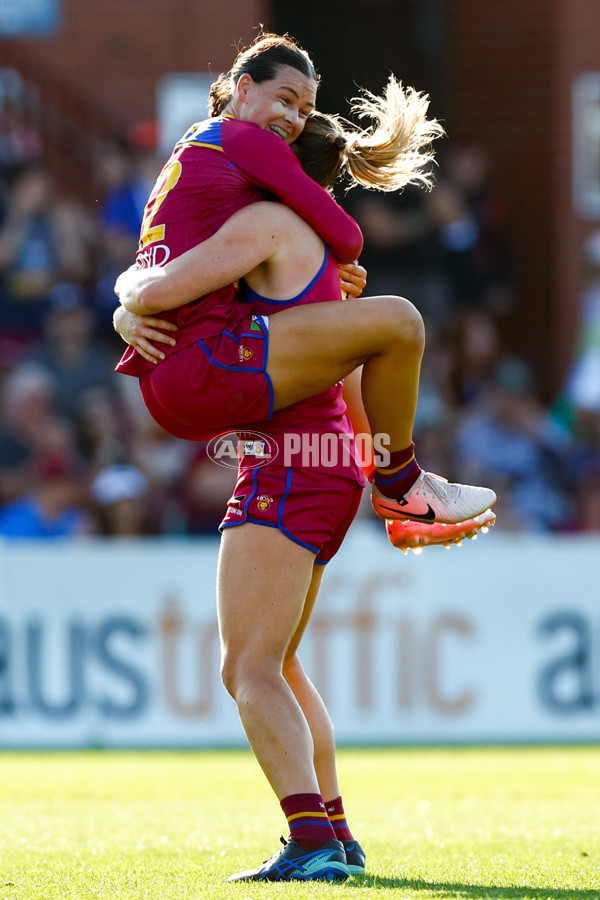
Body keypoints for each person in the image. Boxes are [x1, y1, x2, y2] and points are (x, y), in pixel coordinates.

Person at [113, 33, 496, 882]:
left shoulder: (259, 214)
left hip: (292, 457)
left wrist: (125, 301)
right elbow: (347, 363)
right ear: (240, 90)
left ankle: (317, 843)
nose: (285, 125)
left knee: (247, 668)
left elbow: (175, 282)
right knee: (272, 663)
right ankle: (336, 834)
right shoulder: (285, 252)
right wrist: (366, 461)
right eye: (282, 102)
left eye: (296, 114)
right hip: (308, 457)